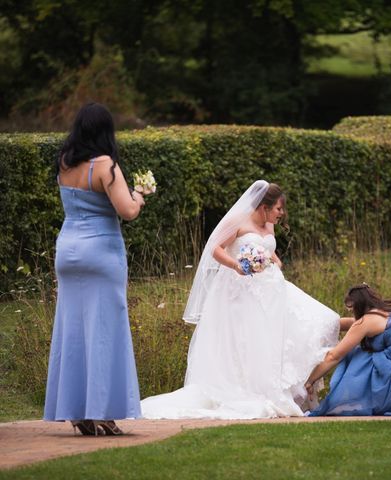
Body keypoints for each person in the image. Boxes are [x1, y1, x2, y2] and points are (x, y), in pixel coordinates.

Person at [141, 180, 340, 419]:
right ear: (264, 206)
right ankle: (248, 389)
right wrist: (236, 264)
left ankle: (284, 386)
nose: (281, 213)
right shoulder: (238, 220)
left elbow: (267, 248)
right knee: (247, 340)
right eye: (278, 208)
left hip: (271, 290)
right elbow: (216, 248)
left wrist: (274, 259)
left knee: (312, 322)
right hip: (240, 290)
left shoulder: (269, 224)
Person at [44, 102, 146, 436]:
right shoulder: (105, 165)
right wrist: (140, 195)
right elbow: (127, 210)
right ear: (105, 131)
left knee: (72, 330)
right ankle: (102, 411)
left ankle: (77, 412)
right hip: (100, 251)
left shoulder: (64, 163)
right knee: (104, 330)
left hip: (68, 250)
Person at [305, 284, 391, 416]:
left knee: (358, 353)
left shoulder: (366, 322)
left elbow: (333, 356)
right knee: (365, 349)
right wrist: (318, 326)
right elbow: (348, 323)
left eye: (352, 309)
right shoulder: (386, 313)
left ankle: (348, 399)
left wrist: (310, 380)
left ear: (358, 306)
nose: (352, 312)